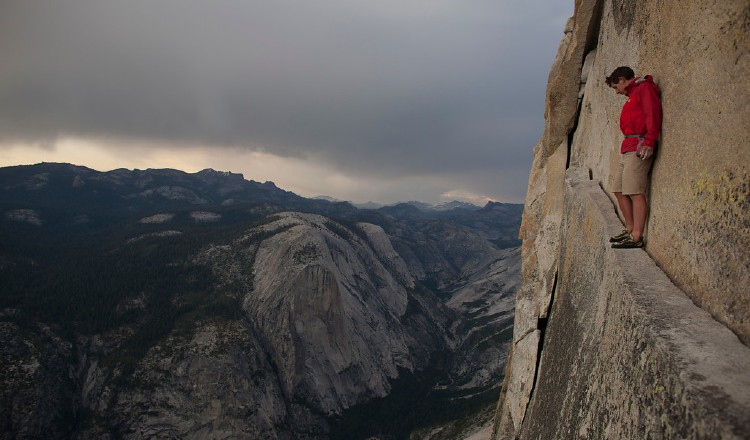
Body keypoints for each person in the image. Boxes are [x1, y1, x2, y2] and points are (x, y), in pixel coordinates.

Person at [605, 66, 662, 249]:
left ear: (622, 79)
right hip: (628, 147)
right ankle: (629, 228)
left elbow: (653, 113)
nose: (616, 92)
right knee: (618, 189)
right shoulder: (633, 95)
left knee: (635, 192)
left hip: (639, 145)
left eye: (615, 87)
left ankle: (637, 236)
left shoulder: (644, 88)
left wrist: (650, 141)